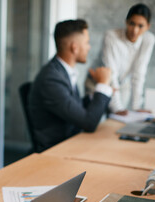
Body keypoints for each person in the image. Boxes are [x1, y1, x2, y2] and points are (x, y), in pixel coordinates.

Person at [28, 19, 112, 152]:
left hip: (71, 144)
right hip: (56, 151)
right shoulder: (51, 79)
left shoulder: (62, 71)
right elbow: (88, 123)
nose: (89, 47)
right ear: (74, 47)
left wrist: (96, 93)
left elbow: (75, 107)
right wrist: (103, 85)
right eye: (87, 42)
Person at [85, 3, 155, 115]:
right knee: (95, 122)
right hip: (98, 83)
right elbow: (111, 72)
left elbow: (139, 73)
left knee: (118, 121)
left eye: (140, 26)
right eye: (132, 24)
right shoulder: (111, 36)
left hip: (122, 85)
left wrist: (137, 107)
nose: (135, 30)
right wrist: (117, 107)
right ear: (126, 22)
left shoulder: (149, 40)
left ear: (148, 26)